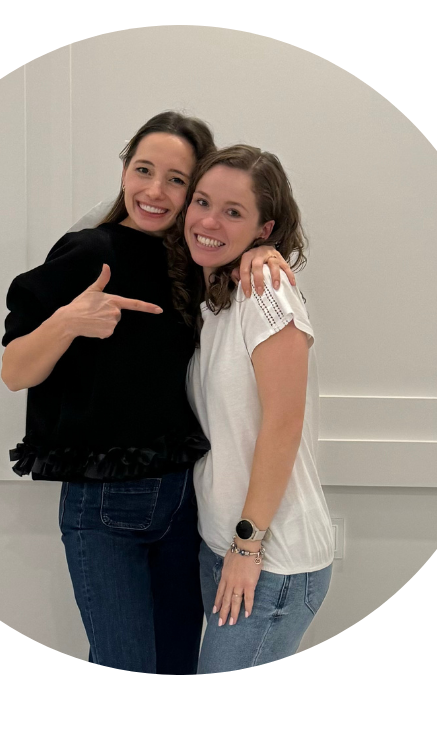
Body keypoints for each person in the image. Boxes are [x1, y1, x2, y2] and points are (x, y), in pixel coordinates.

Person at [0, 112, 295, 674]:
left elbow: (246, 247)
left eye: (177, 180)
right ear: (124, 171)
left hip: (184, 501)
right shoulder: (89, 251)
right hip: (103, 505)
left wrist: (261, 254)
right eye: (143, 170)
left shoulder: (200, 258)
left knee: (177, 662)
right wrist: (67, 321)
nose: (155, 191)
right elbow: (15, 372)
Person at [166, 144, 334, 673]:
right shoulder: (218, 297)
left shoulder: (267, 292)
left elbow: (283, 425)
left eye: (233, 212)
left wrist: (247, 548)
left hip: (269, 558)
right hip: (225, 547)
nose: (207, 221)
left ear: (266, 229)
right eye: (201, 201)